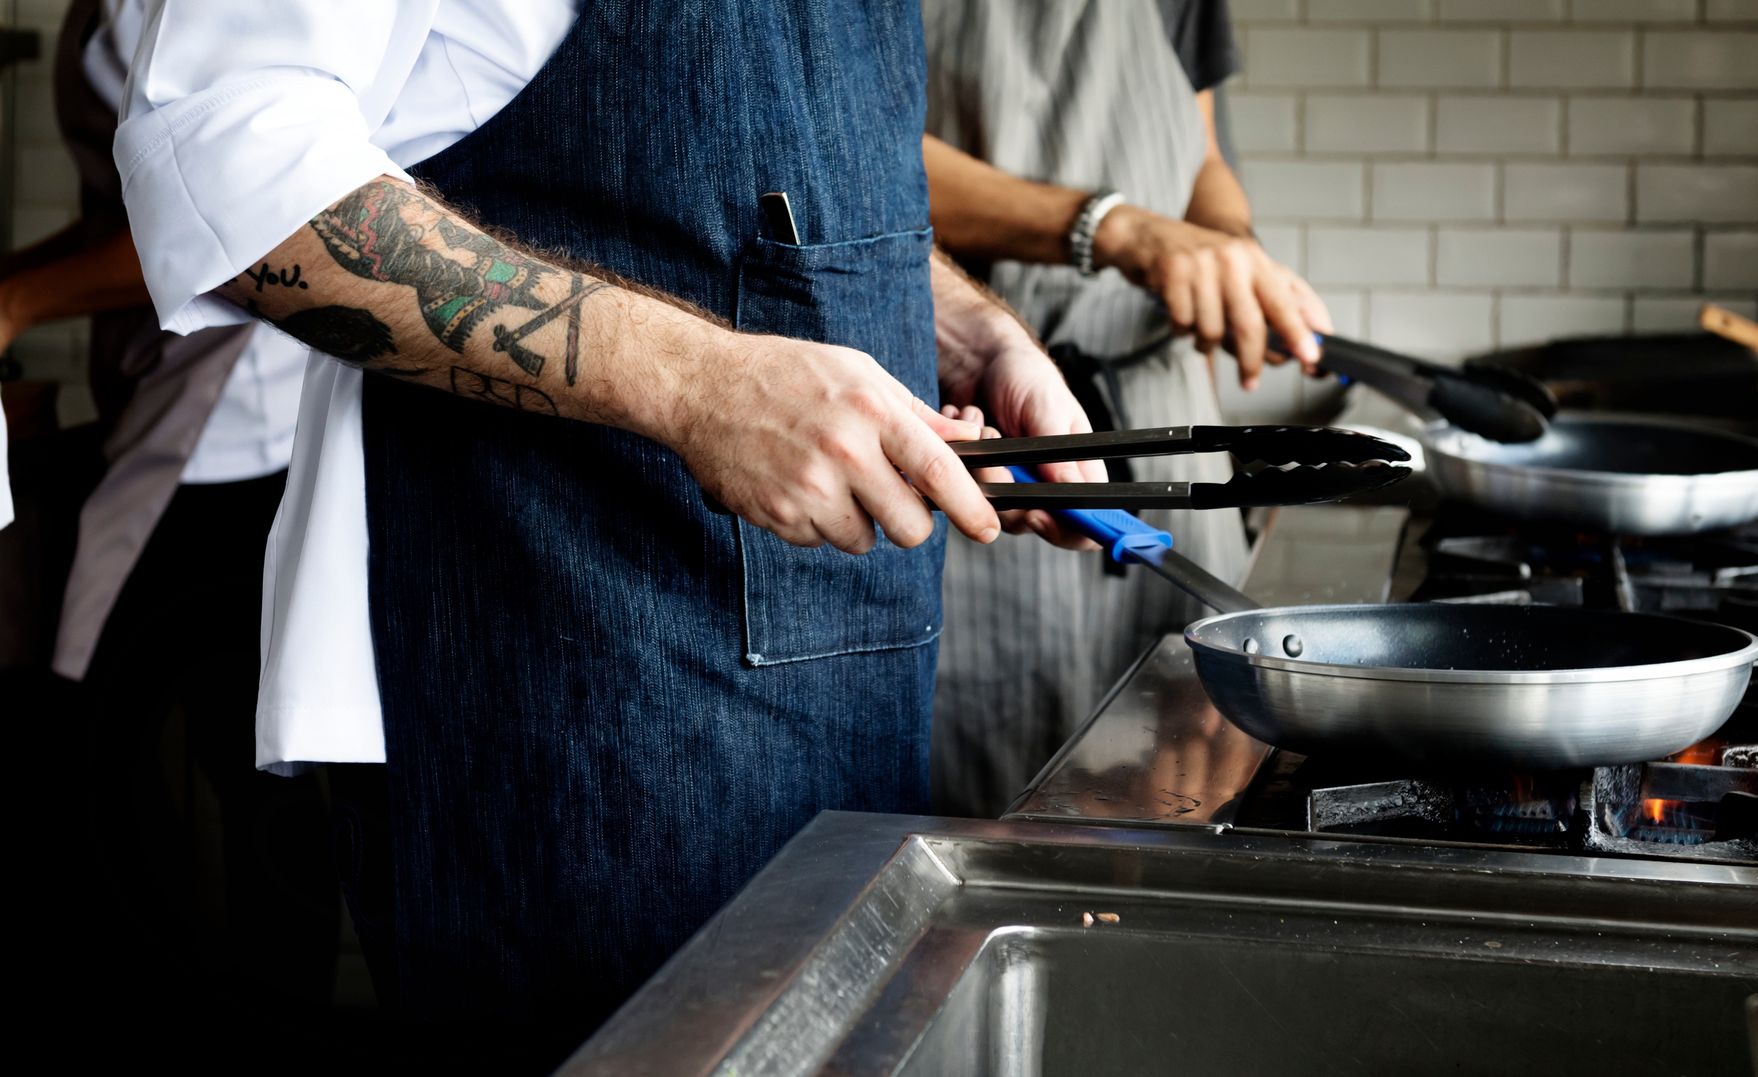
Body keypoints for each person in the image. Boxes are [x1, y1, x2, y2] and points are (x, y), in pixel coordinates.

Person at [114, 0, 1098, 1063]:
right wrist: (699, 383)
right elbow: (228, 168)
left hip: (848, 689)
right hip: (560, 695)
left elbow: (751, 175)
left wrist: (965, 332)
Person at [2, 0, 336, 1059]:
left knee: (245, 794)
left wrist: (17, 301)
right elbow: (140, 210)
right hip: (169, 409)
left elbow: (232, 226)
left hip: (246, 434)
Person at [922, 0, 1335, 816]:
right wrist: (1111, 228)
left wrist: (1226, 247)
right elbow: (853, 165)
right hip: (975, 423)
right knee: (991, 806)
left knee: (1200, 777)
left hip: (1158, 411)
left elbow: (1199, 151)